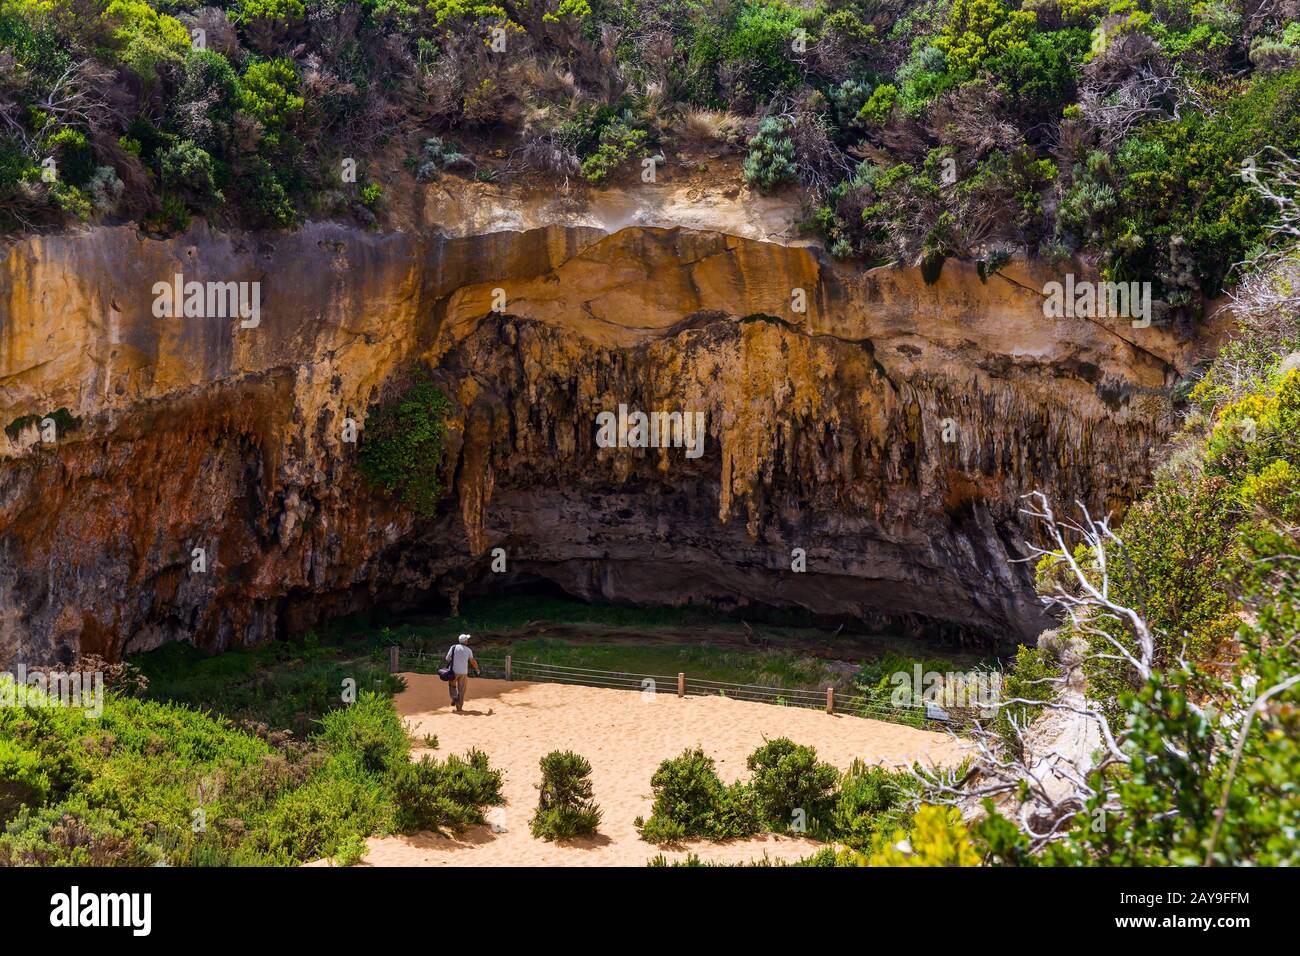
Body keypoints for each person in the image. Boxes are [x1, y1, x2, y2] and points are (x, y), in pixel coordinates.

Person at [445, 633, 479, 712]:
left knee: (452, 686)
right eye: (467, 639)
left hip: (453, 671)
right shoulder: (468, 650)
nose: (468, 641)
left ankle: (454, 697)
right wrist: (477, 669)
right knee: (462, 689)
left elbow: (447, 658)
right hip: (464, 672)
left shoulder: (453, 647)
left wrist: (455, 660)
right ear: (465, 641)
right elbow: (472, 661)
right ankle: (459, 707)